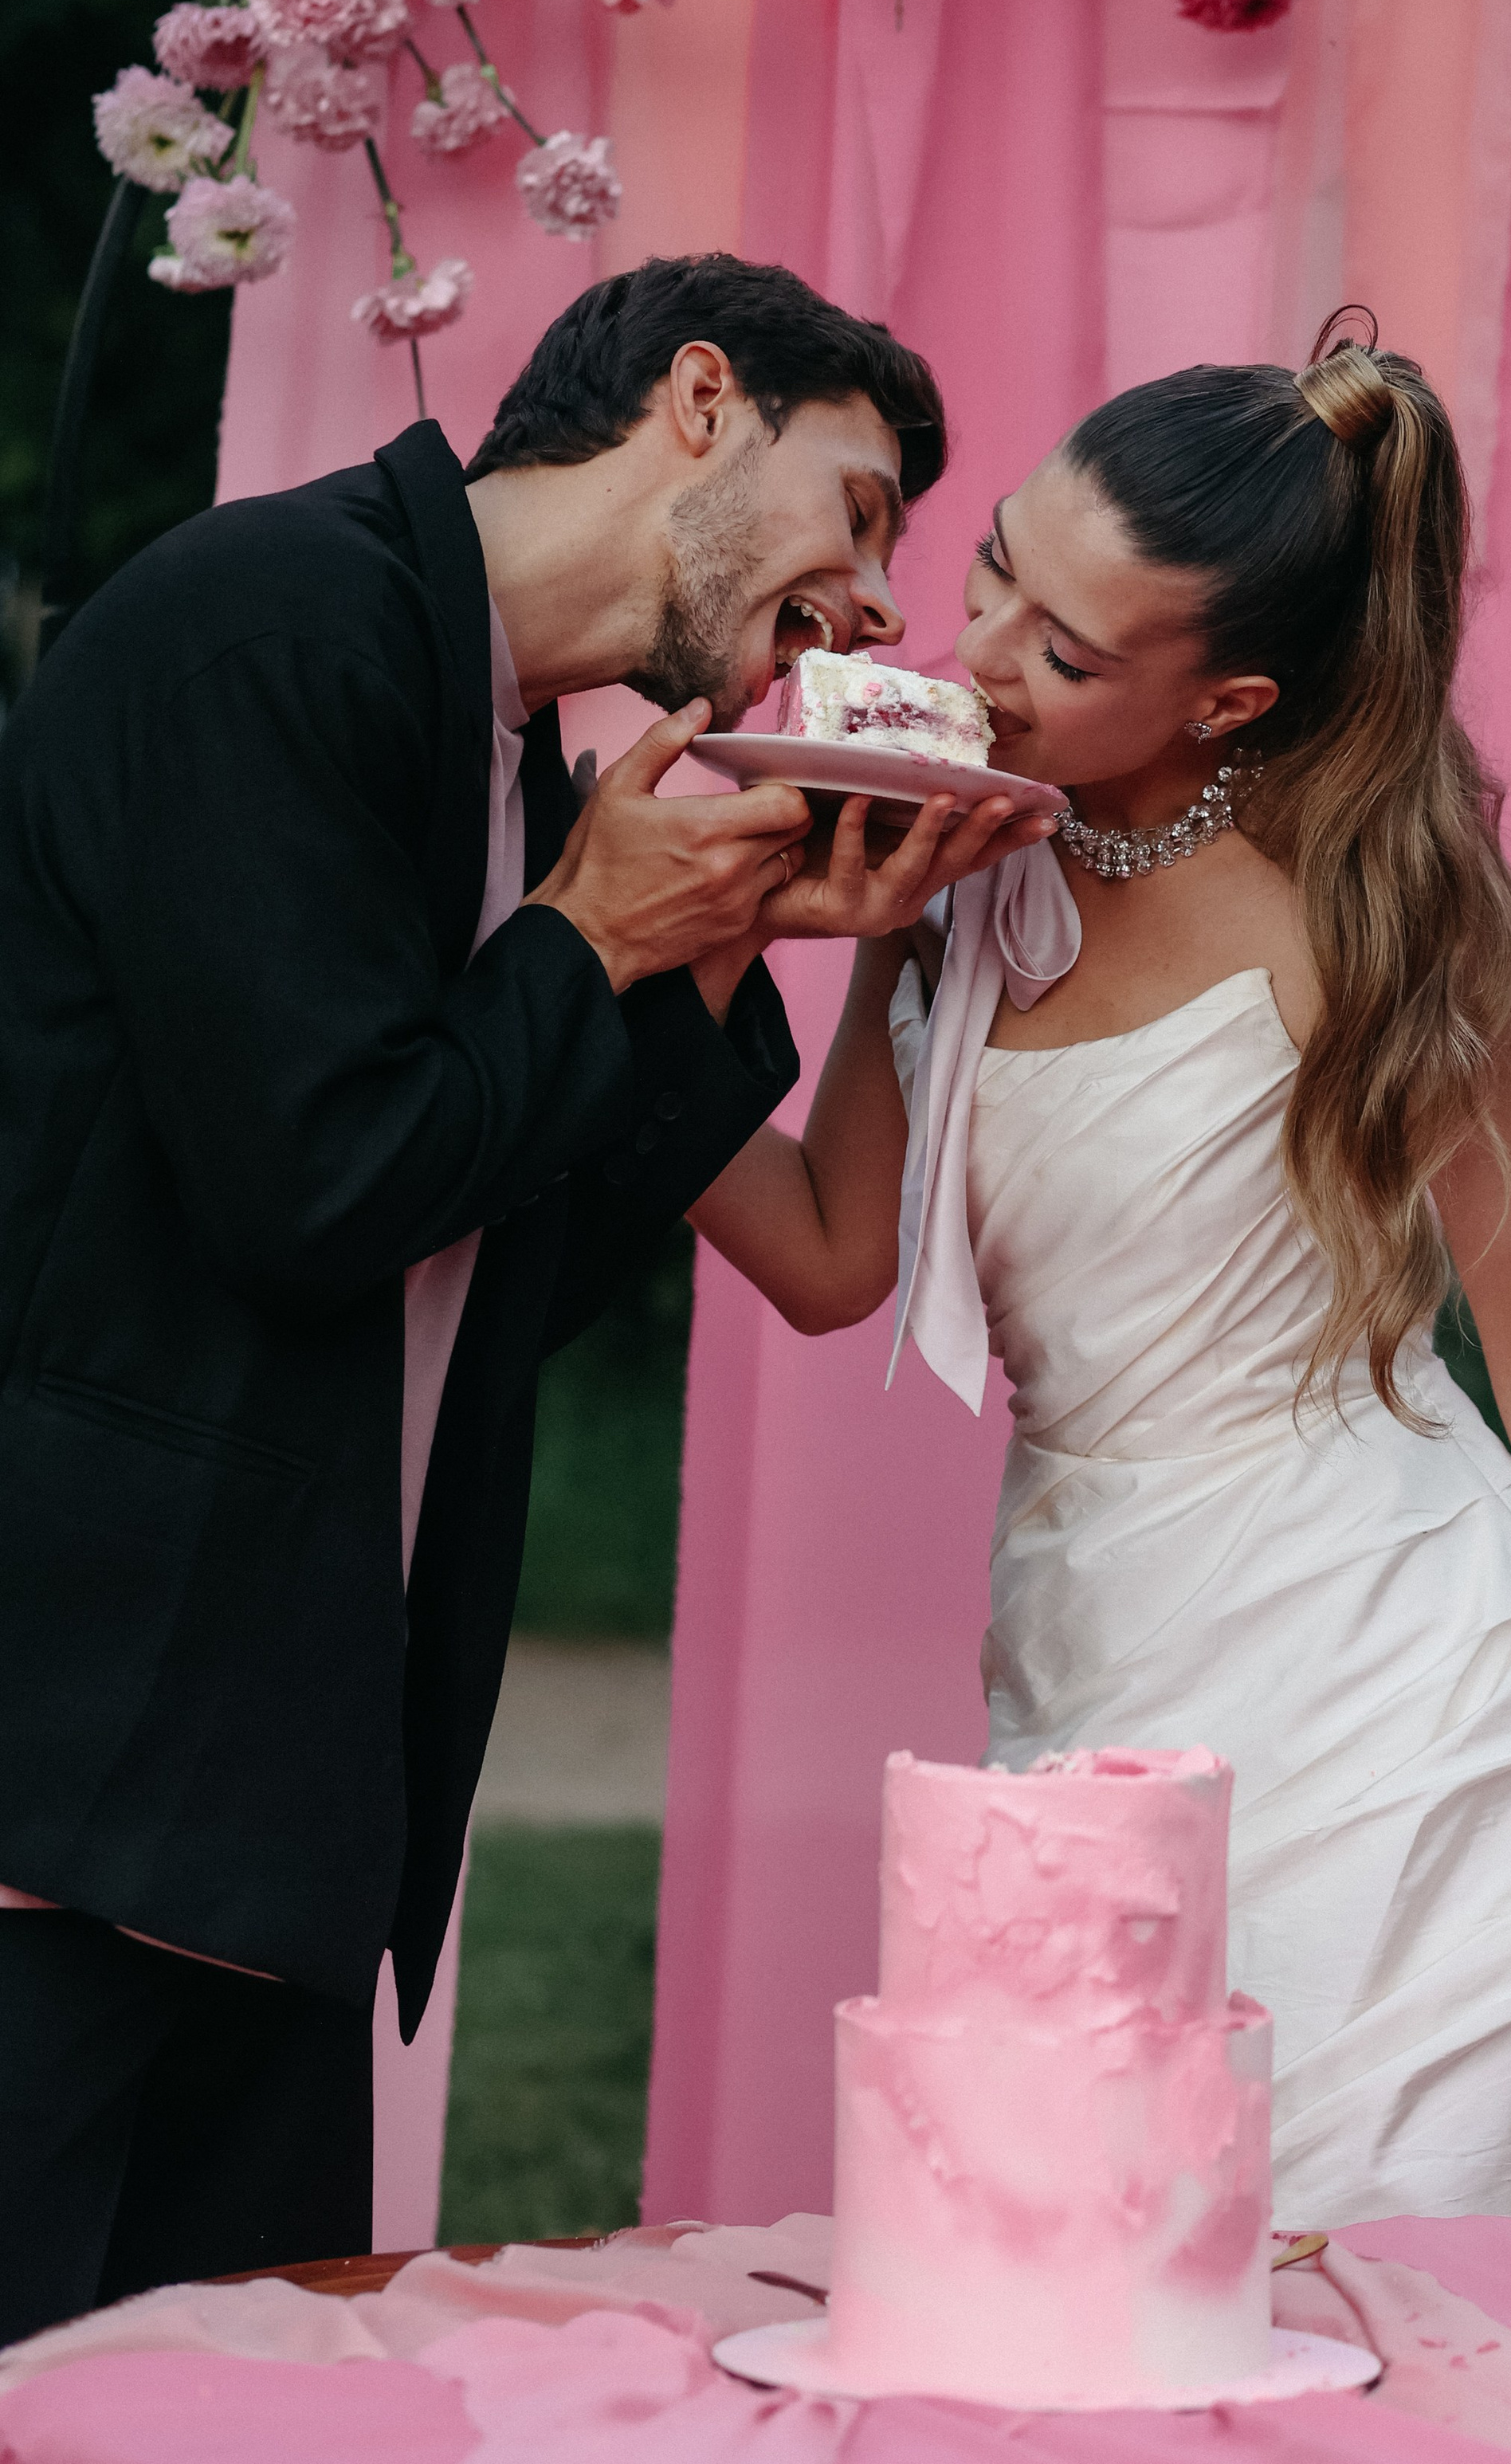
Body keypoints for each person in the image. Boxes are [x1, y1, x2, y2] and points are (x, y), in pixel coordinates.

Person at [687, 320, 1511, 2228]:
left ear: (1228, 701)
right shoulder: (946, 859)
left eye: (1064, 652)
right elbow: (822, 1256)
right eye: (995, 572)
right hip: (1083, 1618)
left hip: (1376, 1663)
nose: (980, 657)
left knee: (1339, 2289)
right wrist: (624, 987)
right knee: (1086, 2266)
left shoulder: (1377, 926)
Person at [0, 251, 1046, 2344]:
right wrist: (587, 944)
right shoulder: (272, 626)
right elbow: (319, 1189)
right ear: (697, 398)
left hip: (266, 1805)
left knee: (237, 2417)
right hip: (65, 1781)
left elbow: (476, 1288)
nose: (875, 607)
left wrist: (713, 940)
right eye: (858, 513)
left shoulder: (517, 767)